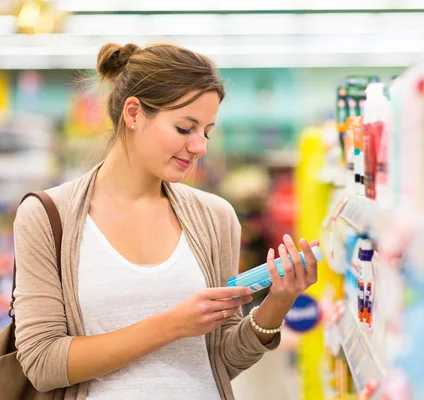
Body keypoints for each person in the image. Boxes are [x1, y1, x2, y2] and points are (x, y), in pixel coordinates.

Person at [12, 43, 320, 400]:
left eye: (206, 131)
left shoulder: (214, 217)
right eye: (185, 128)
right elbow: (42, 363)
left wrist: (278, 303)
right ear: (133, 113)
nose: (200, 147)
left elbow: (219, 360)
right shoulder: (49, 217)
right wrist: (171, 325)